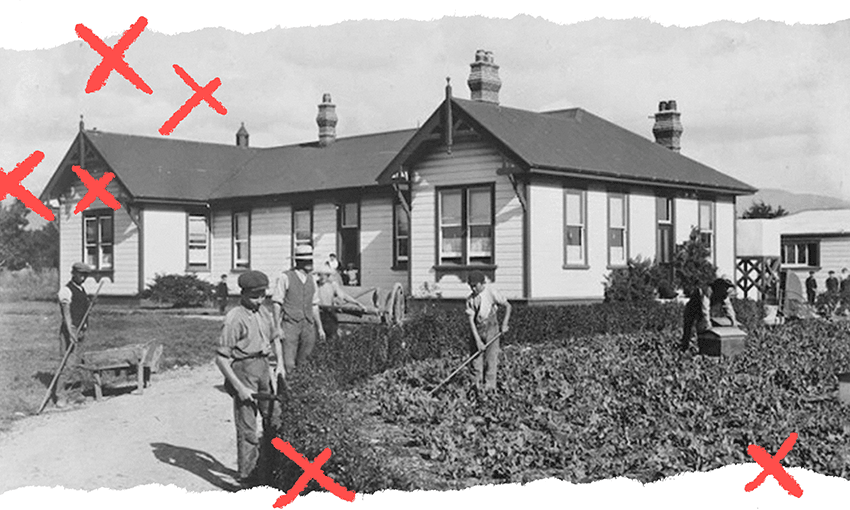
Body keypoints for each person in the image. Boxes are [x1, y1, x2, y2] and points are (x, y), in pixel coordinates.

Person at [215, 270, 284, 487]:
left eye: (263, 295)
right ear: (243, 294)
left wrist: (280, 364)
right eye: (255, 296)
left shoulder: (264, 313)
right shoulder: (234, 318)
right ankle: (249, 478)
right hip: (243, 370)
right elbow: (221, 359)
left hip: (264, 368)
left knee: (274, 420)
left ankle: (270, 468)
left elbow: (276, 340)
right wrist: (239, 387)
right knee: (248, 428)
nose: (260, 300)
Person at [271, 245, 325, 375]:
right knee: (288, 363)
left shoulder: (312, 279)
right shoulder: (286, 277)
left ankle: (298, 390)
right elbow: (277, 303)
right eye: (307, 261)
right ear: (298, 262)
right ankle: (286, 388)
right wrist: (278, 327)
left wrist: (320, 327)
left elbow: (314, 305)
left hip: (308, 325)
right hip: (290, 324)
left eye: (310, 260)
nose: (310, 263)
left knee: (305, 361)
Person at [465, 270, 511, 391]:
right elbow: (471, 322)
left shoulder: (491, 292)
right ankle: (475, 389)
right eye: (471, 286)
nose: (473, 288)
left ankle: (489, 390)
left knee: (490, 361)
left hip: (492, 328)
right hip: (477, 329)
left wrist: (504, 323)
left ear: (482, 283)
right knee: (475, 362)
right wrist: (478, 341)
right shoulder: (470, 300)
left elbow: (508, 306)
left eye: (475, 285)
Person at [54, 262, 92, 408]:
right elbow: (66, 314)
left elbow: (81, 308)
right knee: (67, 364)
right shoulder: (66, 291)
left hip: (81, 330)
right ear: (73, 273)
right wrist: (71, 333)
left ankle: (75, 393)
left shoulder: (81, 289)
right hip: (71, 330)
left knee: (77, 364)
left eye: (85, 275)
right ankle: (60, 396)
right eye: (81, 274)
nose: (83, 278)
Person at [680, 275, 739, 352]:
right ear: (719, 283)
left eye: (728, 286)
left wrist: (733, 321)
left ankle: (701, 349)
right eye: (725, 285)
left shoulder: (723, 293)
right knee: (690, 330)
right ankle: (686, 349)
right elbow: (705, 308)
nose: (726, 288)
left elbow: (728, 307)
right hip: (692, 309)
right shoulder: (708, 290)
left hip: (702, 311)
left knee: (703, 331)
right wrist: (707, 322)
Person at [315, 262, 366, 343]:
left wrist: (357, 303)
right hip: (318, 313)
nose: (322, 277)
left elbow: (343, 296)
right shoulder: (315, 286)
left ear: (328, 276)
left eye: (325, 275)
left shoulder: (332, 285)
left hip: (329, 313)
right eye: (320, 275)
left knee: (332, 337)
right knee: (318, 337)